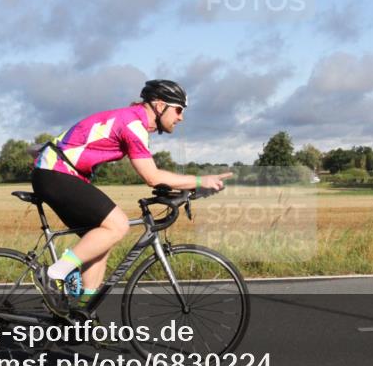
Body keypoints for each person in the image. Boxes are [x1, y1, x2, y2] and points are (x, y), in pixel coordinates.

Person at [30, 79, 231, 313]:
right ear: (159, 105)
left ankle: (81, 315)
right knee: (118, 225)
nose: (181, 117)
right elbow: (152, 176)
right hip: (55, 174)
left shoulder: (131, 119)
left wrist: (190, 189)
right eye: (178, 110)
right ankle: (53, 274)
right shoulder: (133, 124)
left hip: (56, 173)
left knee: (101, 242)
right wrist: (199, 181)